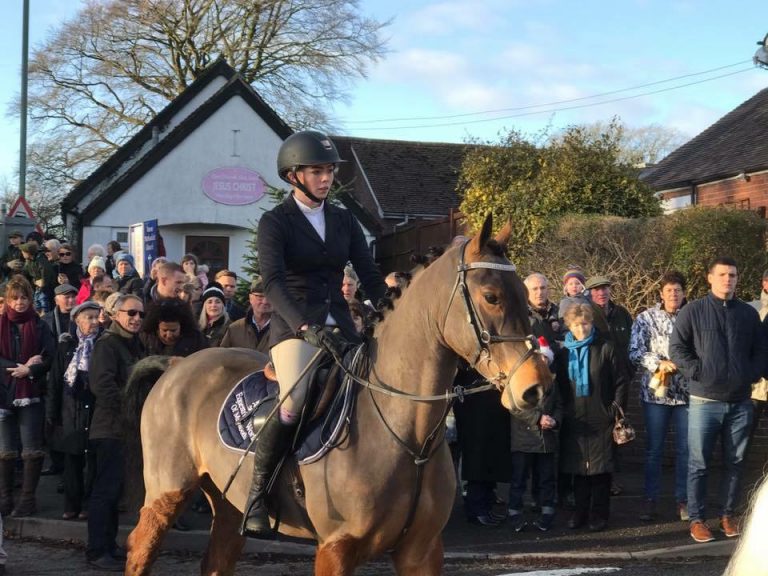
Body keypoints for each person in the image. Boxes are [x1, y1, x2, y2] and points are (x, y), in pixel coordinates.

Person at [242, 130, 387, 538]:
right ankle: (257, 495)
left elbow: (369, 272)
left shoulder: (343, 219)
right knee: (296, 397)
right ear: (293, 175)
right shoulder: (276, 222)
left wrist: (388, 305)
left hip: (341, 324)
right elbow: (271, 282)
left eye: (329, 171)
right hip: (293, 328)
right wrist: (305, 327)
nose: (326, 178)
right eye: (317, 171)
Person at [670, 256, 767, 544]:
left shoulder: (748, 315)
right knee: (698, 463)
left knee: (735, 462)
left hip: (740, 401)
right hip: (704, 401)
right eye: (723, 274)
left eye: (733, 275)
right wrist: (699, 373)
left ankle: (728, 514)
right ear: (710, 278)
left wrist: (750, 374)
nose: (728, 279)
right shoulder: (693, 311)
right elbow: (677, 348)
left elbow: (761, 350)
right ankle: (698, 519)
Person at [557, 303, 628, 532]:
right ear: (569, 325)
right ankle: (579, 513)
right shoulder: (564, 352)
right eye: (577, 325)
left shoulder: (606, 347)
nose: (582, 329)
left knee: (601, 471)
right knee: (578, 471)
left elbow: (620, 381)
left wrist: (614, 410)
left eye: (586, 323)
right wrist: (564, 411)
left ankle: (599, 515)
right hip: (575, 418)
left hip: (602, 416)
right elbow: (558, 385)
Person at [86, 293, 145, 571]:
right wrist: (132, 411)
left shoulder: (136, 345)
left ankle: (108, 545)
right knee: (104, 492)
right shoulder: (107, 345)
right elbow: (103, 387)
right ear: (116, 315)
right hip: (109, 429)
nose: (136, 319)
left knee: (115, 492)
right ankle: (97, 550)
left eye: (140, 314)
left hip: (127, 430)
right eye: (131, 313)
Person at [629, 271, 689, 522]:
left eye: (677, 290)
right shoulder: (645, 318)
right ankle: (649, 499)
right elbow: (634, 351)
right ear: (661, 294)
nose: (673, 294)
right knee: (654, 450)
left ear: (684, 293)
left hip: (687, 394)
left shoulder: (692, 316)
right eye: (668, 290)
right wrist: (659, 363)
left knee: (686, 450)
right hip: (656, 394)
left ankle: (683, 500)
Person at [0, 275, 56, 517]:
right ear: (8, 301)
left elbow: (49, 356)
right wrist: (20, 366)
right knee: (5, 450)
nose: (20, 303)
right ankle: (4, 498)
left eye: (24, 298)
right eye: (15, 298)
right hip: (3, 392)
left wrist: (31, 369)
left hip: (30, 392)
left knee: (31, 449)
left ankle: (27, 499)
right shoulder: (1, 323)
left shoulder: (40, 324)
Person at [46, 301, 102, 521]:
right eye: (89, 317)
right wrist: (52, 413)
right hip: (70, 409)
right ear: (77, 320)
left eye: (96, 317)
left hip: (95, 409)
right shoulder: (66, 347)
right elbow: (55, 384)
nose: (94, 322)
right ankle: (71, 504)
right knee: (72, 460)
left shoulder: (103, 344)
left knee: (93, 462)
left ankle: (88, 504)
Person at [220, 277, 272, 354]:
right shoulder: (235, 328)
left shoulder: (283, 329)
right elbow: (223, 357)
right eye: (260, 297)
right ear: (250, 298)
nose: (265, 301)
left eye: (269, 297)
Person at [140, 299, 205, 357]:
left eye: (173, 330)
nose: (169, 335)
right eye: (164, 330)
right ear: (157, 327)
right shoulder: (146, 338)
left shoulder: (196, 340)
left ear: (182, 327)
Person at [524, 273, 562, 344]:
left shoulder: (559, 311)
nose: (540, 292)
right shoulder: (522, 316)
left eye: (542, 288)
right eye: (535, 289)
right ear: (527, 292)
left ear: (547, 289)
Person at [198, 282, 230, 347]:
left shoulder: (230, 328)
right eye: (209, 302)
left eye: (218, 302)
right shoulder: (197, 325)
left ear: (223, 305)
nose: (213, 305)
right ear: (204, 306)